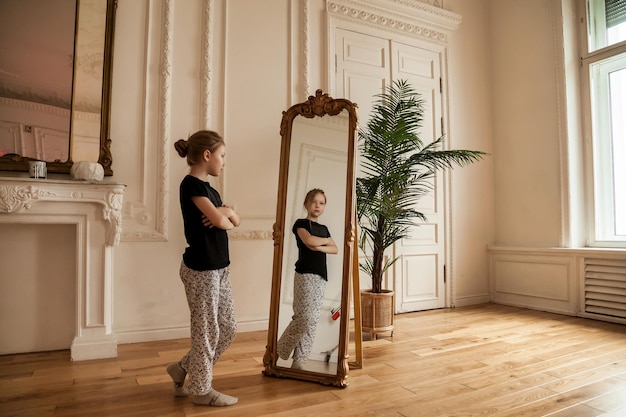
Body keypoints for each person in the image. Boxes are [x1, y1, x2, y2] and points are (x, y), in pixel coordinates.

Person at [167, 130, 240, 407]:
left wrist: (227, 210)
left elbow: (235, 220)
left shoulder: (211, 190)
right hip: (201, 271)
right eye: (222, 155)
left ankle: (182, 368)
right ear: (207, 155)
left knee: (228, 328)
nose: (224, 161)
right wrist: (224, 215)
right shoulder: (191, 186)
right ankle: (201, 391)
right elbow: (223, 223)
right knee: (206, 332)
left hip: (220, 268)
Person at [277, 188, 338, 369]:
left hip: (321, 277)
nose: (317, 205)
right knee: (304, 318)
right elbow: (309, 241)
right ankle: (279, 349)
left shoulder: (324, 228)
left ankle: (299, 361)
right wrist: (322, 242)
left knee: (312, 321)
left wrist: (318, 245)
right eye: (314, 201)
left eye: (321, 202)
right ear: (306, 204)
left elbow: (335, 248)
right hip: (304, 274)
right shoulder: (301, 223)